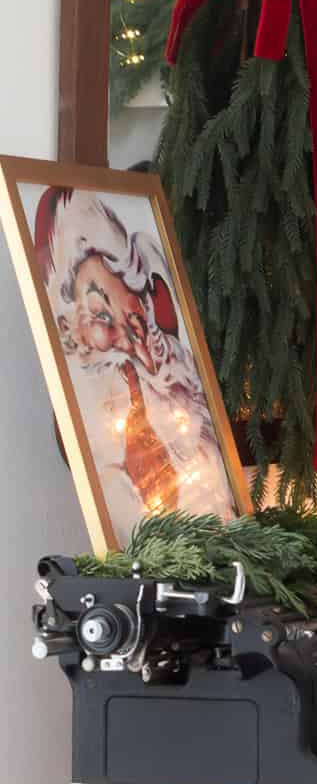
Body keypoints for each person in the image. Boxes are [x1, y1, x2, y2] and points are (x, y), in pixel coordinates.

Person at [34, 187, 235, 543]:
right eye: (100, 315)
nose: (125, 332)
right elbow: (130, 520)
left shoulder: (165, 363)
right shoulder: (97, 404)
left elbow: (201, 463)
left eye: (123, 301)